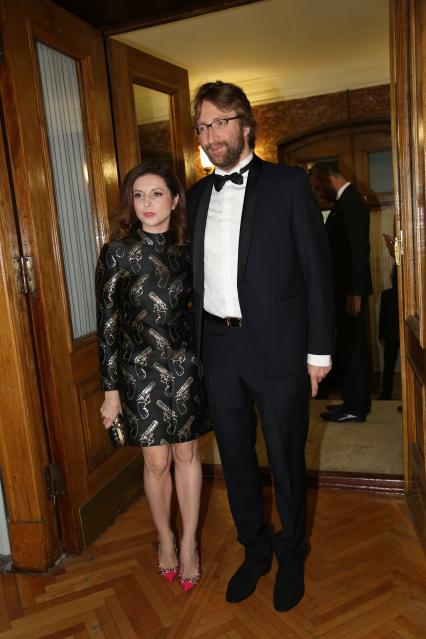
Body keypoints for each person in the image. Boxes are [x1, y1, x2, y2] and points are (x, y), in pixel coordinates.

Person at [187, 81, 334, 612]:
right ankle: (255, 549)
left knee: (287, 457)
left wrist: (319, 351)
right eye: (202, 127)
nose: (211, 136)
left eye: (220, 123)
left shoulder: (289, 184)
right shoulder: (196, 196)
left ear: (245, 125)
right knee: (234, 457)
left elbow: (317, 271)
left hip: (279, 348)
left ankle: (292, 552)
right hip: (218, 347)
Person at [96, 161, 210, 592]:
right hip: (138, 371)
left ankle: (189, 544)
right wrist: (110, 392)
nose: (147, 203)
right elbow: (107, 326)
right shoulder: (117, 253)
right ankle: (165, 538)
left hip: (185, 368)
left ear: (175, 200)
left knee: (186, 455)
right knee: (156, 462)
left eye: (157, 193)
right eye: (139, 195)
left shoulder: (188, 251)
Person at [310, 162, 372, 423]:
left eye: (318, 187)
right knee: (347, 346)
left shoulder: (352, 201)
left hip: (350, 291)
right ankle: (351, 402)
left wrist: (355, 292)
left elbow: (359, 251)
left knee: (354, 348)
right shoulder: (344, 202)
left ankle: (356, 407)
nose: (319, 193)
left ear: (327, 179)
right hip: (344, 289)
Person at [378, 233, 399, 399]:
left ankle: (386, 394)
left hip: (392, 336)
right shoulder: (388, 295)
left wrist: (382, 336)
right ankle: (386, 393)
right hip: (395, 336)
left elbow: (382, 320)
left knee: (388, 365)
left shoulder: (387, 296)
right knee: (389, 365)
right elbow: (383, 318)